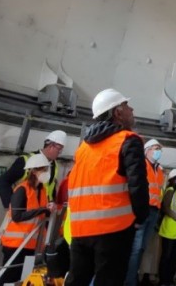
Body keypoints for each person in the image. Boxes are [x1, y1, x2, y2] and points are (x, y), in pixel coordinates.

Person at [65, 88, 149, 286]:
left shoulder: (83, 147)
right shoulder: (128, 140)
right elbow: (137, 183)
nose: (132, 109)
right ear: (118, 112)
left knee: (77, 281)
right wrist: (141, 216)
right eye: (127, 106)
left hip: (80, 229)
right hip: (114, 228)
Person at [0, 154, 52, 284]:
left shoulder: (42, 191)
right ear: (33, 171)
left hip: (32, 245)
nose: (46, 173)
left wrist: (49, 210)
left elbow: (42, 216)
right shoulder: (22, 189)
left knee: (24, 280)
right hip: (16, 244)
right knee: (9, 278)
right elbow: (16, 216)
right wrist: (41, 210)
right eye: (43, 169)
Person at [126, 139, 165, 286]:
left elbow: (158, 191)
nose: (158, 151)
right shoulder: (140, 165)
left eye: (160, 149)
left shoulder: (160, 170)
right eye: (156, 148)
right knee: (135, 249)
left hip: (154, 211)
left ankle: (133, 278)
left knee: (142, 248)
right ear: (147, 150)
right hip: (141, 210)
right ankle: (129, 281)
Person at [0, 130, 66, 207]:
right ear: (51, 146)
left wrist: (51, 202)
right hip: (23, 211)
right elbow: (3, 181)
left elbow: (50, 187)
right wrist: (11, 205)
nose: (60, 153)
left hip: (41, 211)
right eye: (59, 149)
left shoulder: (54, 165)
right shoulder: (26, 160)